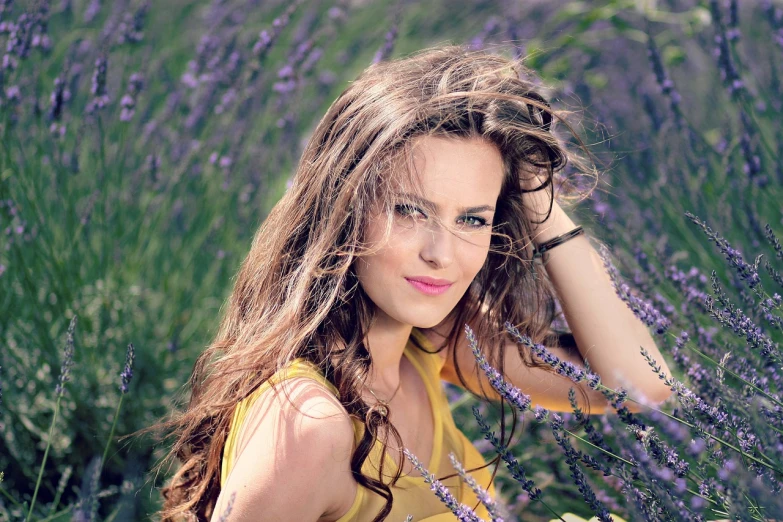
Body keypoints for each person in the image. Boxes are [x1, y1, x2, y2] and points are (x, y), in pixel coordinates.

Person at [145, 44, 673, 522]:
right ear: (343, 206)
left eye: (472, 219)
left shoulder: (432, 344)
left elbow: (639, 389)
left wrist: (542, 202)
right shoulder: (309, 426)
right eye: (409, 210)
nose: (441, 255)